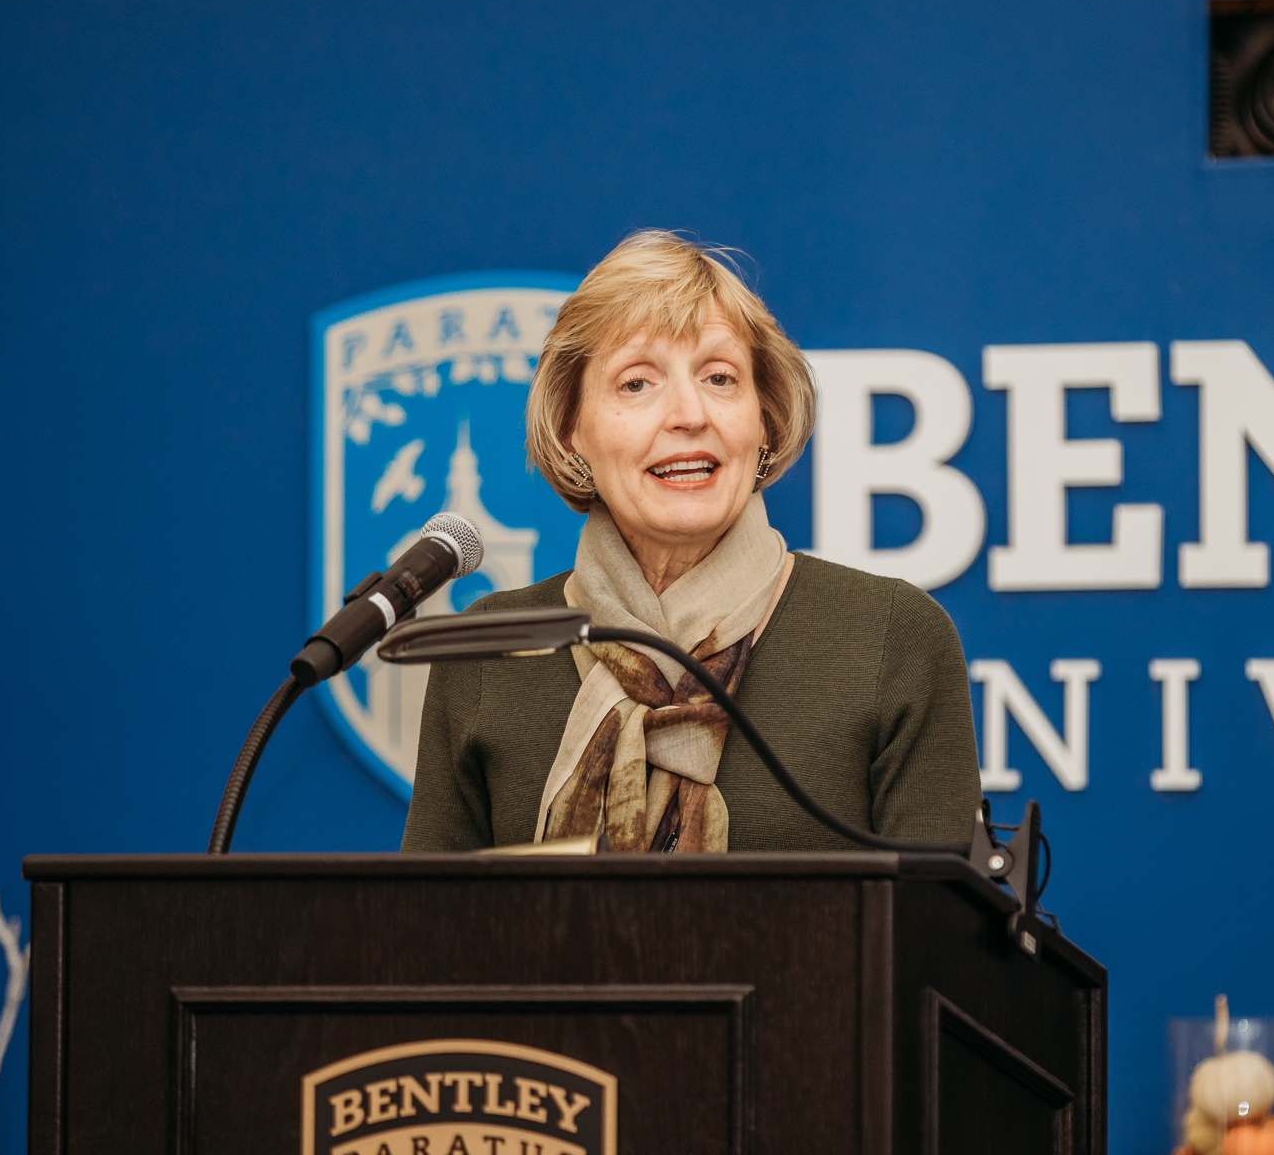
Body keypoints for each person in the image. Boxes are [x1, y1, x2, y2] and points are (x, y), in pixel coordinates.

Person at [402, 231, 980, 854]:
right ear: (572, 431)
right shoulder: (489, 649)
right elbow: (425, 939)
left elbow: (931, 942)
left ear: (765, 420)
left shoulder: (892, 636)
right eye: (636, 383)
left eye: (720, 378)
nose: (689, 413)